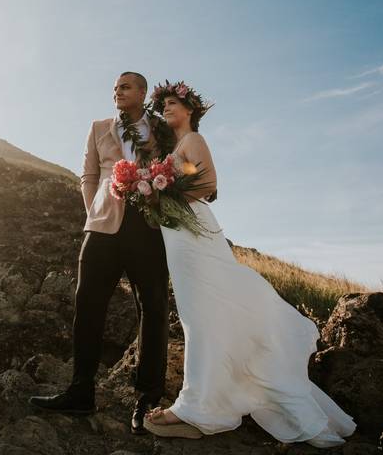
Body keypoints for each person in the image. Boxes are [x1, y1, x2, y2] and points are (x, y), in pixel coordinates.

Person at [142, 80, 357, 448]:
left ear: (190, 109)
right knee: (202, 314)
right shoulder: (178, 147)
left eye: (173, 103)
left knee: (199, 314)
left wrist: (166, 196)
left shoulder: (193, 141)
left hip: (191, 231)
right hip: (178, 232)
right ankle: (209, 398)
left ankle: (197, 407)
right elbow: (195, 178)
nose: (167, 110)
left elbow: (208, 184)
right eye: (163, 106)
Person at [29, 71, 175, 435]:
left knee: (153, 308)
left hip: (148, 228)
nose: (117, 92)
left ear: (142, 92)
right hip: (103, 227)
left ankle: (147, 398)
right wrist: (94, 208)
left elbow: (177, 171)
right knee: (88, 304)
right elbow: (88, 175)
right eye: (114, 88)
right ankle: (81, 390)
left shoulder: (162, 129)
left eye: (125, 87)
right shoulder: (98, 127)